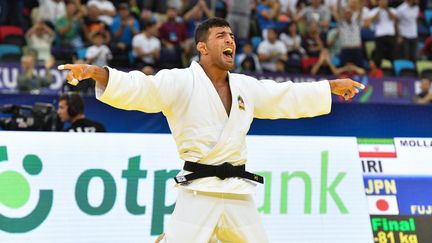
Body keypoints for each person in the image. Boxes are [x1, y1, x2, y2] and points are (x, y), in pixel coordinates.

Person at [58, 17, 364, 243]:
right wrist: (97, 73)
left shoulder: (245, 86)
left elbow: (285, 96)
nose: (230, 40)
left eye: (231, 36)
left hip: (237, 192)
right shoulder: (179, 82)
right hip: (199, 190)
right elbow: (141, 88)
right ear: (202, 47)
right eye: (221, 36)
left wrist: (330, 87)